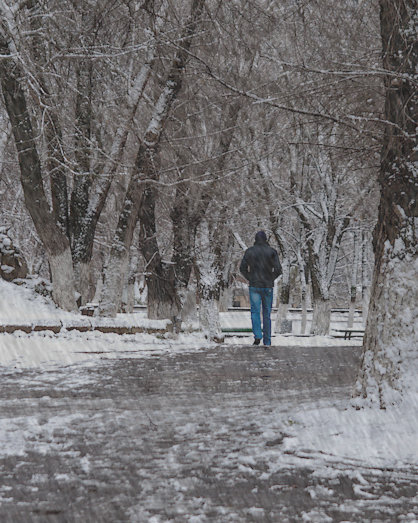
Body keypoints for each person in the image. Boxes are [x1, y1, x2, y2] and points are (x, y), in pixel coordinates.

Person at [239, 231, 282, 346]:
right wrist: (270, 278)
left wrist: (251, 278)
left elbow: (242, 268)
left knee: (255, 312)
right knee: (267, 314)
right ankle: (267, 341)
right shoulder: (272, 252)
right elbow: (278, 270)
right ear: (266, 239)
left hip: (254, 286)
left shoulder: (250, 251)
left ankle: (258, 335)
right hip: (268, 286)